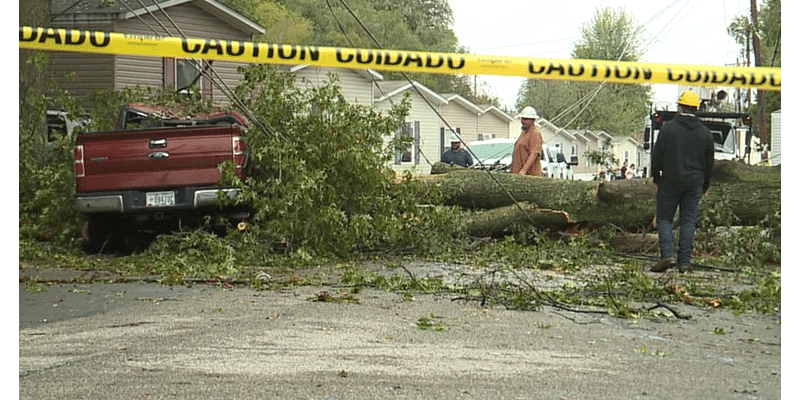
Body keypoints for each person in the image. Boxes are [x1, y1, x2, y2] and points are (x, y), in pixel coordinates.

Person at [650, 90, 715, 273]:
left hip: (670, 180)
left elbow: (657, 156)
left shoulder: (668, 129)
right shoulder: (705, 134)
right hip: (694, 183)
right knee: (688, 221)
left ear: (680, 107)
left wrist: (656, 177)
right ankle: (685, 262)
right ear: (696, 108)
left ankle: (668, 255)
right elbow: (709, 164)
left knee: (664, 218)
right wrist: (705, 186)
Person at [510, 106, 543, 176]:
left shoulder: (535, 134)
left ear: (533, 120)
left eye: (525, 119)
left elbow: (534, 154)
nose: (522, 121)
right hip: (517, 174)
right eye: (522, 119)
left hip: (529, 176)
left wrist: (523, 170)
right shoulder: (524, 133)